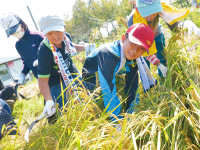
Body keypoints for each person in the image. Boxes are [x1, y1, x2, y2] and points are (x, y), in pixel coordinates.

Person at [82, 23, 155, 121]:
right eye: (133, 43)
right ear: (124, 38)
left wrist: (132, 113)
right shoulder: (107, 54)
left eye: (141, 48)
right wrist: (116, 119)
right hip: (92, 70)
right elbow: (108, 88)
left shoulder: (136, 59)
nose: (135, 50)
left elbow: (132, 84)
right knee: (92, 100)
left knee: (129, 82)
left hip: (117, 67)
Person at [0, 12, 95, 85]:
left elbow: (61, 45)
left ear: (21, 24)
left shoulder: (37, 36)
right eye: (11, 33)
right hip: (45, 80)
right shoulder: (18, 45)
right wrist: (22, 75)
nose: (14, 34)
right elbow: (26, 63)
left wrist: (42, 59)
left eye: (15, 30)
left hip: (60, 74)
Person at [37, 14, 83, 122]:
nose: (55, 36)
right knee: (55, 114)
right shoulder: (44, 51)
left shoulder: (66, 37)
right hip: (55, 80)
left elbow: (71, 46)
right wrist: (49, 100)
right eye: (50, 33)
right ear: (44, 34)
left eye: (58, 30)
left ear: (64, 27)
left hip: (71, 72)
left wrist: (86, 47)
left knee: (83, 95)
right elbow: (43, 80)